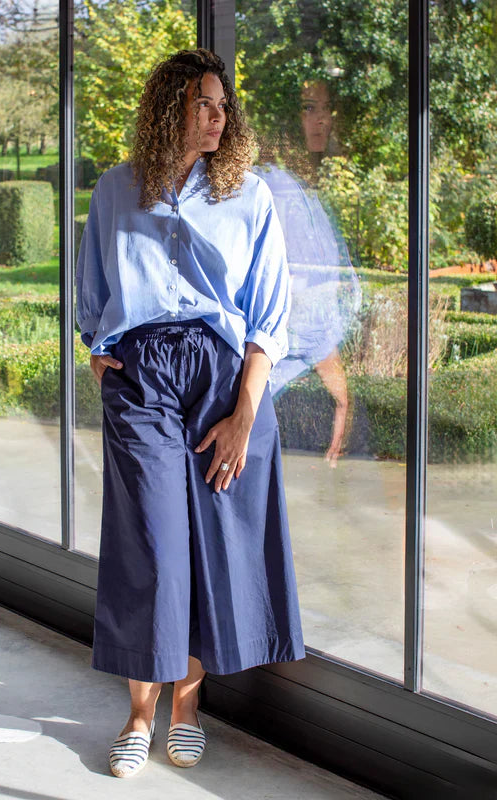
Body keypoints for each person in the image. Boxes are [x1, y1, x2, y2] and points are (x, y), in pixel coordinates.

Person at [76, 48, 306, 779]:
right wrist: (96, 351)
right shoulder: (117, 190)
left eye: (222, 105)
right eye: (204, 103)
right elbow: (92, 292)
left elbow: (270, 316)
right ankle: (139, 714)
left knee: (209, 542)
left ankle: (186, 708)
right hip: (141, 378)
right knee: (150, 543)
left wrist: (244, 415)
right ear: (169, 107)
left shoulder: (249, 195)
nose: (219, 115)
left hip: (220, 375)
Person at [254, 79, 361, 466]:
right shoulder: (279, 189)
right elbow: (293, 295)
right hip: (279, 388)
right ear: (287, 120)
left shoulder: (305, 190)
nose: (323, 121)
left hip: (289, 382)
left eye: (326, 108)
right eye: (308, 108)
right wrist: (333, 375)